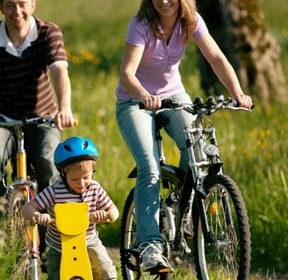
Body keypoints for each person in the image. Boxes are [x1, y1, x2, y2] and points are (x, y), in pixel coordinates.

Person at [115, 0, 253, 273]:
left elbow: (216, 58)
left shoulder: (191, 22)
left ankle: (185, 211)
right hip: (135, 101)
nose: (163, 1)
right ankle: (149, 245)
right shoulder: (140, 25)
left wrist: (237, 93)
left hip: (173, 95)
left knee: (198, 151)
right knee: (150, 168)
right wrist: (144, 95)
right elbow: (127, 73)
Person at [0, 0, 75, 206]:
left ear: (33, 5)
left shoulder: (48, 32)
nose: (17, 11)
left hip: (42, 115)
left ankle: (52, 225)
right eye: (10, 5)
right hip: (0, 115)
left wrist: (64, 108)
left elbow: (59, 72)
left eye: (22, 3)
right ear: (1, 7)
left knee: (48, 162)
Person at [22, 136, 119, 280]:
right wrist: (37, 216)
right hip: (58, 246)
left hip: (89, 242)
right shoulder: (54, 191)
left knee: (106, 271)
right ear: (63, 174)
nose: (81, 183)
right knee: (57, 276)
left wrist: (105, 215)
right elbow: (26, 209)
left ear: (93, 170)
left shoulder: (95, 189)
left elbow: (114, 212)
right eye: (74, 179)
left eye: (86, 177)